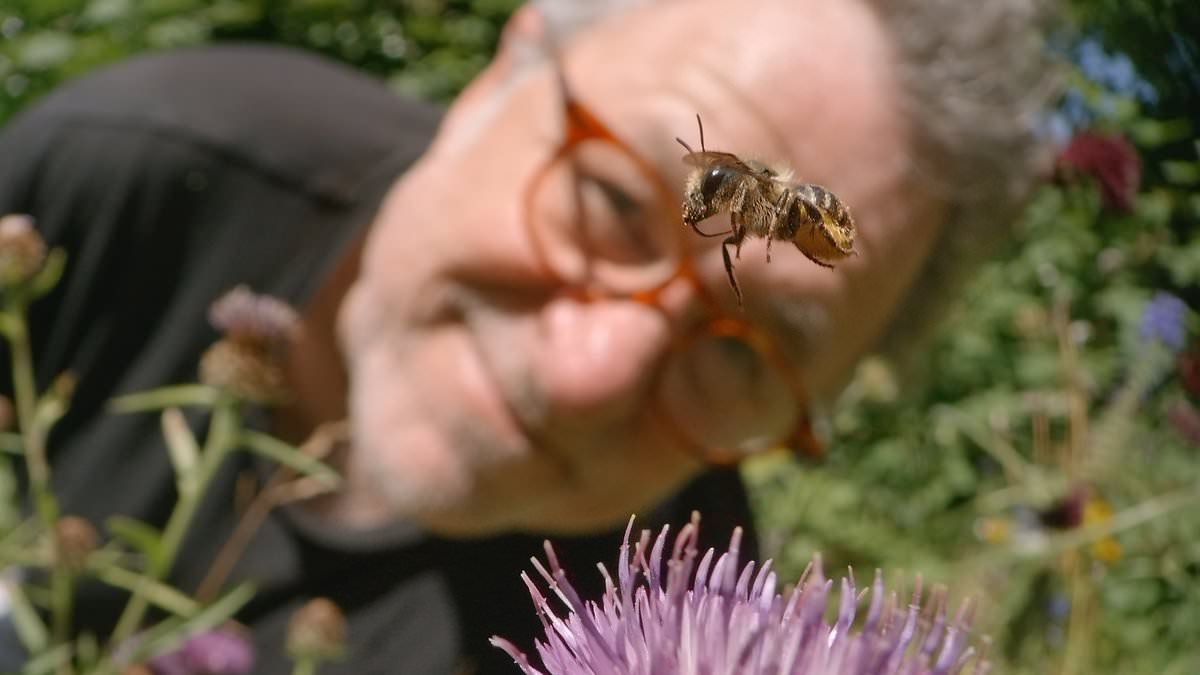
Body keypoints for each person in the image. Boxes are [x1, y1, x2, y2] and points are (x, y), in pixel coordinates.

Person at [0, 0, 1052, 672]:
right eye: (609, 203)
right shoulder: (116, 178)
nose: (587, 372)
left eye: (745, 352)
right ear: (501, 73)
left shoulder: (697, 609)